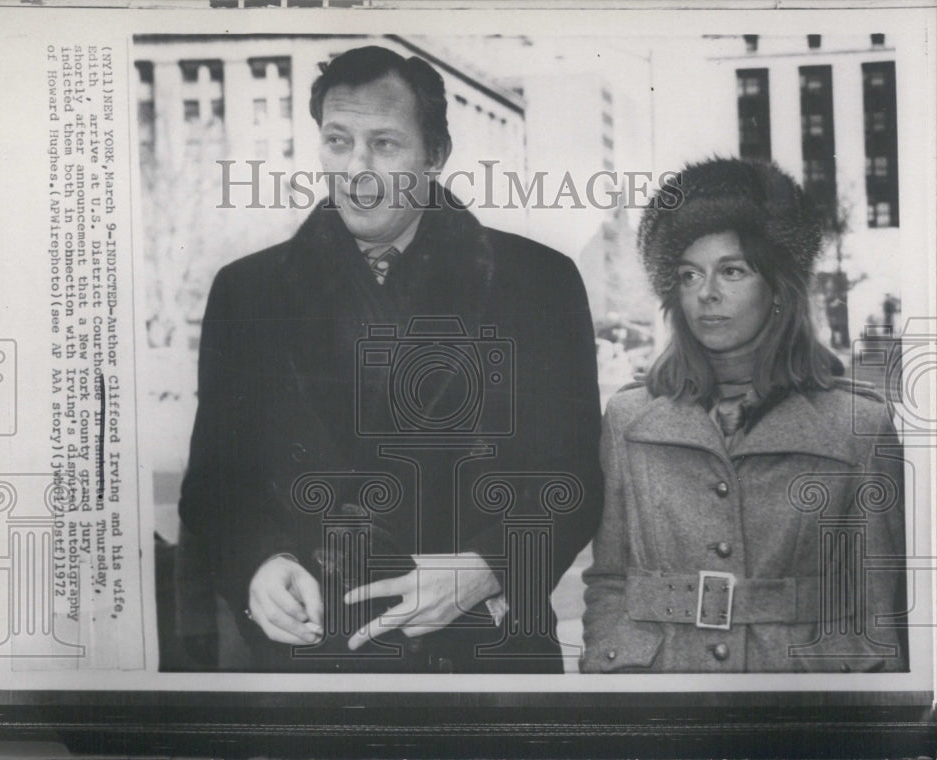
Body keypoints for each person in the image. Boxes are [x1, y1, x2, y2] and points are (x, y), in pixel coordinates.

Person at [178, 46, 603, 673]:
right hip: (317, 664)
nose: (357, 169)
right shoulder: (248, 293)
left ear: (435, 155)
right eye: (338, 141)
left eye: (384, 144)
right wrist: (261, 566)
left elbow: (574, 477)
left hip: (481, 661)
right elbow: (216, 487)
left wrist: (489, 569)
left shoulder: (538, 282)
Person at [581, 158, 907, 673]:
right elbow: (610, 580)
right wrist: (614, 669)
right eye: (690, 274)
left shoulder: (858, 426)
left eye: (732, 270)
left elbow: (877, 606)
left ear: (778, 289)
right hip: (662, 693)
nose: (707, 292)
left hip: (801, 704)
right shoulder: (629, 418)